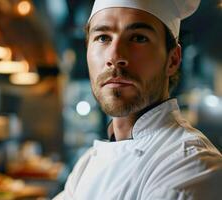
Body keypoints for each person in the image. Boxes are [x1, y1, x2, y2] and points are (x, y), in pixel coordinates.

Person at [54, 0, 222, 199]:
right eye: (103, 37)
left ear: (173, 59)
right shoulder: (88, 163)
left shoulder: (192, 164)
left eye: (138, 38)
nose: (115, 56)